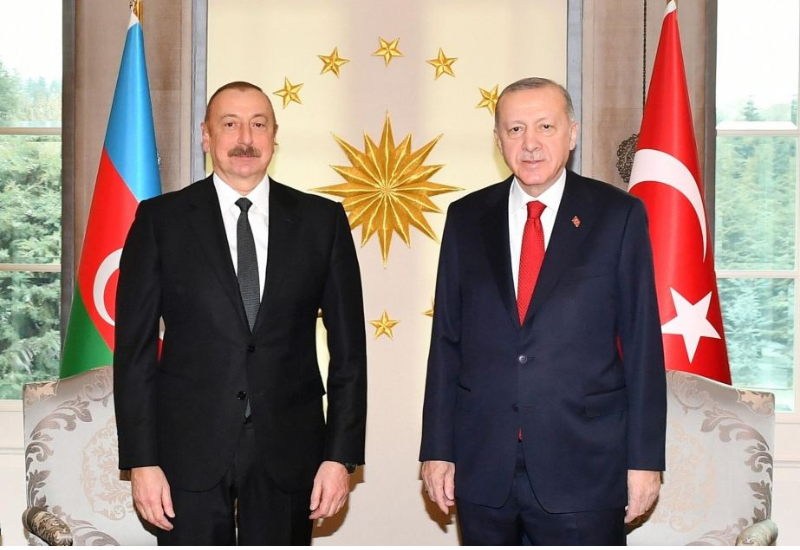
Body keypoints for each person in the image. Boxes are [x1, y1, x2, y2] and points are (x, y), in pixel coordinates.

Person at [114, 81, 367, 545]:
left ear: (274, 135)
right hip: (185, 452)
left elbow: (350, 353)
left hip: (290, 451)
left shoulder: (322, 222)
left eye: (258, 124)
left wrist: (340, 456)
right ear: (206, 136)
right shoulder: (160, 220)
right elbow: (134, 351)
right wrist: (142, 460)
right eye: (229, 124)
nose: (245, 139)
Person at [419, 77, 666, 545]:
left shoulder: (618, 216)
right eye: (515, 129)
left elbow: (642, 347)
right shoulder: (466, 217)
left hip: (585, 465)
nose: (530, 143)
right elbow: (446, 341)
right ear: (498, 140)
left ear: (571, 133)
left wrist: (645, 461)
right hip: (483, 464)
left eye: (545, 126)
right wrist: (437, 448)